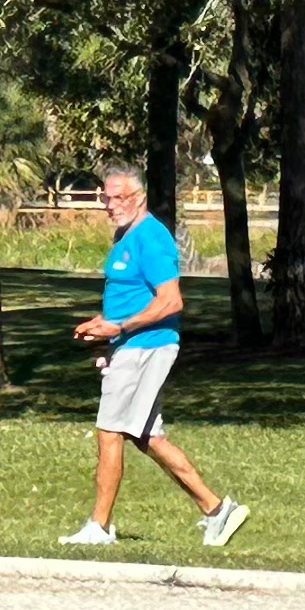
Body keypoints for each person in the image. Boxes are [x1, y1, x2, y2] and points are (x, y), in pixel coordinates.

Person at [61, 163, 249, 549]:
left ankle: (99, 527)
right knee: (147, 435)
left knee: (109, 431)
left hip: (146, 346)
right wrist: (103, 328)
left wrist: (119, 328)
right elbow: (131, 297)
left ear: (140, 197)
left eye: (119, 197)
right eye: (106, 197)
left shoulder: (152, 237)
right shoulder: (125, 235)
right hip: (130, 345)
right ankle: (217, 509)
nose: (110, 205)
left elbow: (170, 301)